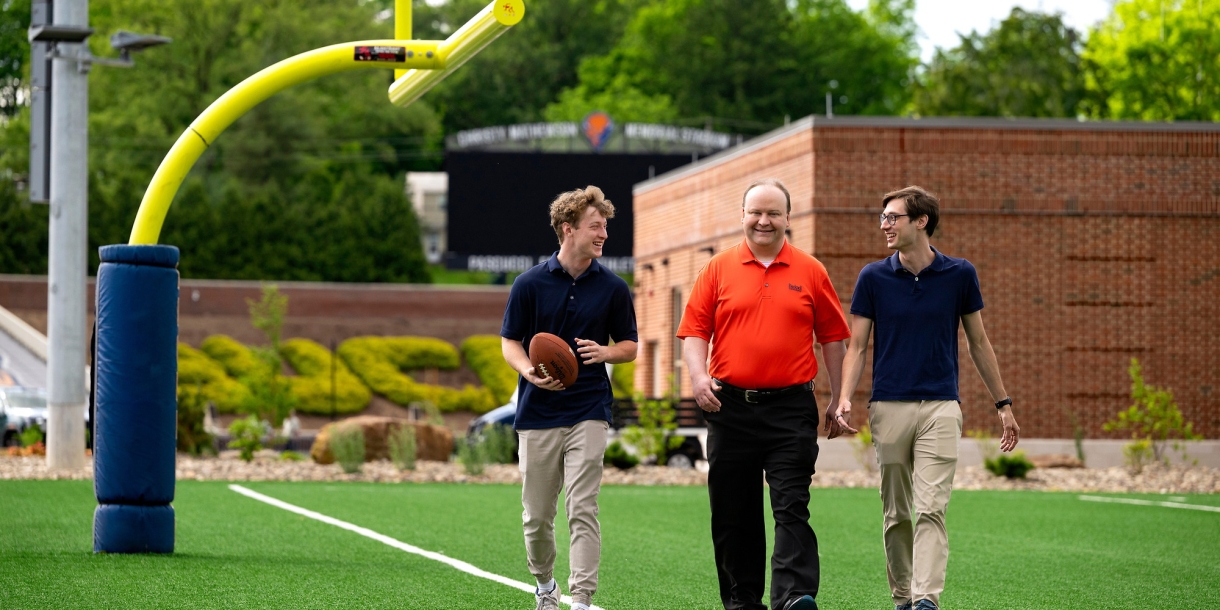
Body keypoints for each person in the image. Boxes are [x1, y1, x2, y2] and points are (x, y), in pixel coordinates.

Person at [832, 185, 1020, 610]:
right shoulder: (873, 277)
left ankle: (925, 600)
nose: (885, 225)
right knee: (897, 513)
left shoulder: (960, 274)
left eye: (893, 217)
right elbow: (857, 347)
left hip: (940, 406)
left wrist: (1003, 404)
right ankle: (902, 596)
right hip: (888, 406)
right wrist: (844, 398)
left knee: (932, 507)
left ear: (921, 222)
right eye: (882, 218)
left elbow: (978, 342)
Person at [678, 178, 851, 610]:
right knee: (734, 514)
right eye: (756, 212)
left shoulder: (811, 271)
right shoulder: (717, 269)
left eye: (774, 213)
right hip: (728, 406)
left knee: (792, 504)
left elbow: (833, 338)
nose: (764, 220)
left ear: (788, 219)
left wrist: (838, 398)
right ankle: (743, 601)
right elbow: (694, 332)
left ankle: (793, 597)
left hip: (791, 408)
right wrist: (699, 378)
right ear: (742, 217)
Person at [500, 185, 638, 610]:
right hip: (538, 411)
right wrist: (528, 371)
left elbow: (630, 346)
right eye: (596, 227)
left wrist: (606, 352)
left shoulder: (613, 287)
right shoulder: (528, 283)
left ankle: (580, 599)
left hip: (589, 409)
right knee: (537, 517)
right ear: (568, 229)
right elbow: (509, 342)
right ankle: (545, 587)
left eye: (605, 228)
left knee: (583, 507)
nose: (604, 235)